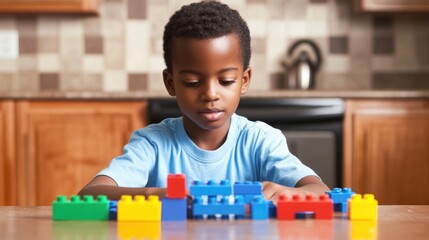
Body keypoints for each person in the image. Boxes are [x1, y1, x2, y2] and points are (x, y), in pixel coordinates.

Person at [78, 1, 329, 203]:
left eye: (226, 80)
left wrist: (293, 193)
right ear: (170, 83)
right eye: (191, 82)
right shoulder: (152, 144)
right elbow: (90, 194)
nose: (210, 94)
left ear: (244, 80)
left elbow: (319, 189)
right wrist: (154, 194)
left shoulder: (260, 141)